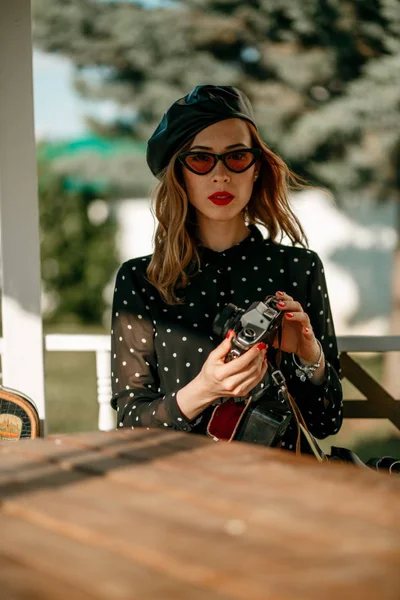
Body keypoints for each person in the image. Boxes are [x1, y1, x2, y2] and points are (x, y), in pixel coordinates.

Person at [110, 85, 343, 453]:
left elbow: (327, 423)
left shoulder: (299, 268)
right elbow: (130, 423)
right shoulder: (142, 280)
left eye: (237, 157)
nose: (221, 175)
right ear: (180, 174)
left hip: (281, 483)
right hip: (181, 482)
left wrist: (309, 356)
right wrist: (204, 390)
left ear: (256, 169)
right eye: (201, 159)